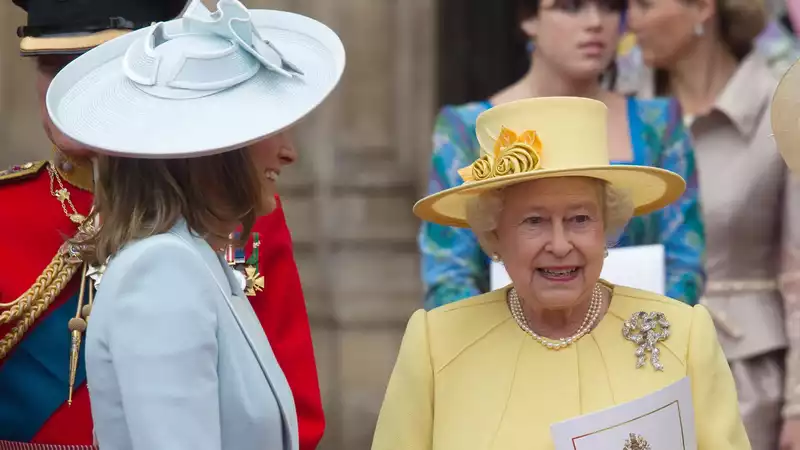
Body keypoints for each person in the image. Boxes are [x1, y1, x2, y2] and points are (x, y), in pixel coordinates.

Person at [0, 0, 325, 448]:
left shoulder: (240, 218)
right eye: (52, 68)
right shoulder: (8, 210)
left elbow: (293, 403)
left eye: (93, 69)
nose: (71, 90)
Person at [373, 96, 747, 450]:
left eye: (580, 219)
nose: (560, 244)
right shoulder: (436, 344)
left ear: (607, 226)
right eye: (534, 221)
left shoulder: (682, 335)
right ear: (494, 234)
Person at [420, 0, 704, 311]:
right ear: (529, 19)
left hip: (642, 346)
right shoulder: (466, 129)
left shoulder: (660, 125)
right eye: (570, 7)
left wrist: (641, 341)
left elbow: (685, 265)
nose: (595, 21)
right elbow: (448, 275)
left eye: (610, 7)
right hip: (506, 351)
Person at [627, 1, 800, 449]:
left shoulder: (780, 105)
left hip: (747, 380)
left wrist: (798, 407)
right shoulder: (623, 110)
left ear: (703, 8)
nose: (631, 20)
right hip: (635, 368)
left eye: (644, 4)